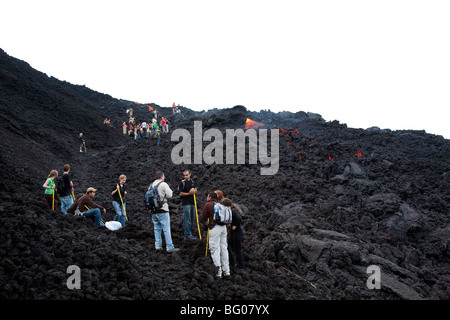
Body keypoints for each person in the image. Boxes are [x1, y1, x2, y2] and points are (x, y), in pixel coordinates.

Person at [201, 191, 230, 278]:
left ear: (209, 197)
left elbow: (203, 218)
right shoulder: (220, 205)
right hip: (223, 227)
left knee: (215, 249)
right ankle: (227, 271)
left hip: (215, 228)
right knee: (224, 248)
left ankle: (218, 272)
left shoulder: (208, 204)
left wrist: (206, 226)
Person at [149, 171, 179, 252]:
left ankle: (158, 246)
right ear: (162, 176)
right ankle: (169, 247)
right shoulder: (163, 184)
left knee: (157, 229)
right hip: (163, 209)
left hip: (153, 210)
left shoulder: (151, 185)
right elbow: (170, 195)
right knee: (166, 229)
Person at [222, 198, 245, 269]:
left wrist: (235, 225)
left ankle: (241, 266)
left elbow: (239, 218)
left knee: (238, 250)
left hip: (237, 234)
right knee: (232, 248)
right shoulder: (231, 210)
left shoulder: (233, 211)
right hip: (235, 234)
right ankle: (235, 263)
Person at [178, 170, 198, 240]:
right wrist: (189, 193)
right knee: (187, 219)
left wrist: (194, 190)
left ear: (190, 174)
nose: (185, 176)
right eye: (184, 175)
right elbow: (180, 193)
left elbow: (196, 189)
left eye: (186, 175)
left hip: (192, 202)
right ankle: (187, 235)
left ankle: (190, 233)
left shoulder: (192, 182)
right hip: (186, 203)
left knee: (192, 218)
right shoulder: (182, 183)